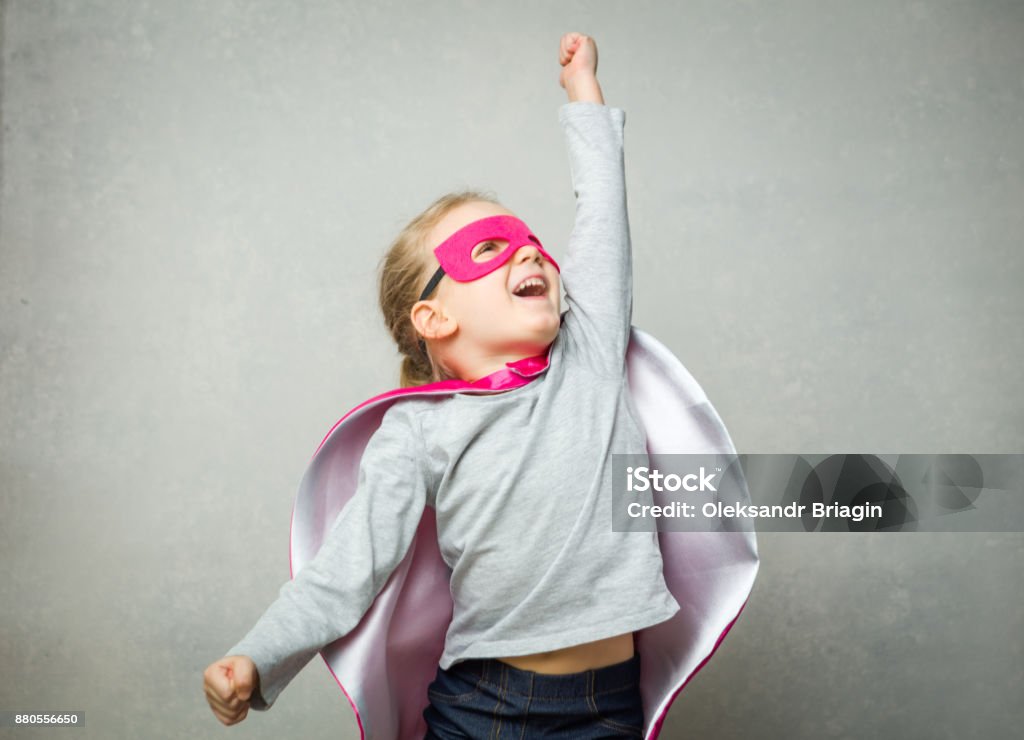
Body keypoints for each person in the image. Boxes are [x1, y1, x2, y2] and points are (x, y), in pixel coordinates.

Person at [205, 32, 680, 738]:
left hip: (608, 706)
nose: (526, 250)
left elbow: (602, 206)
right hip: (484, 708)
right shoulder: (421, 429)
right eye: (485, 248)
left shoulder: (590, 349)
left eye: (527, 241)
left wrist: (585, 94)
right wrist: (255, 657)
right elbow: (347, 568)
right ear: (433, 317)